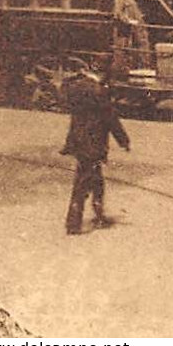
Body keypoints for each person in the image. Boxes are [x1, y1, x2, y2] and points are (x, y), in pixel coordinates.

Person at [61, 58, 130, 235]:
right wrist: (123, 140)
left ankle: (99, 214)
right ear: (103, 73)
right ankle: (73, 223)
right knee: (83, 182)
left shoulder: (76, 87)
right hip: (93, 143)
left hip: (77, 140)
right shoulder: (99, 92)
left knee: (96, 179)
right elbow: (111, 118)